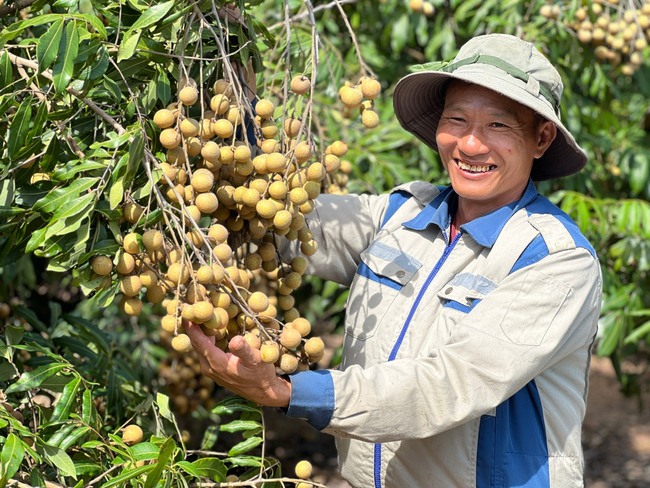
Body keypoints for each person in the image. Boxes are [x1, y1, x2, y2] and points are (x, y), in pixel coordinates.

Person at [187, 33, 603, 488]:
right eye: (456, 120)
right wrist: (226, 60)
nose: (469, 144)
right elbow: (274, 213)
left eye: (498, 127)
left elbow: (450, 385)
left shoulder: (555, 261)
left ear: (541, 138)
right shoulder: (401, 214)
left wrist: (289, 391)